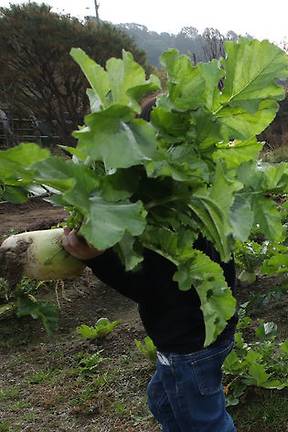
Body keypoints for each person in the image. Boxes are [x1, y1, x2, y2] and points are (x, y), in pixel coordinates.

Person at [62, 96, 237, 432]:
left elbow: (147, 286)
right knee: (162, 402)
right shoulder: (199, 195)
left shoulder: (166, 218)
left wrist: (97, 259)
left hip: (188, 344)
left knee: (206, 423)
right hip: (204, 333)